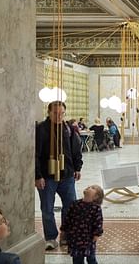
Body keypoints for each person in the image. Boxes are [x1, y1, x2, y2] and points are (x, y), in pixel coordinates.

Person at [35, 101, 83, 250]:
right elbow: (35, 154)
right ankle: (50, 237)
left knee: (70, 207)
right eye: (55, 113)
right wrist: (37, 176)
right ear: (49, 112)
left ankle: (66, 235)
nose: (59, 116)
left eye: (62, 113)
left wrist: (77, 168)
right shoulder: (41, 129)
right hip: (46, 176)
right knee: (47, 208)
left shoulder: (68, 129)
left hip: (67, 175)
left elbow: (76, 150)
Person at [61, 185, 104, 264]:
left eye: (93, 188)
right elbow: (68, 218)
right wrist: (63, 230)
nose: (89, 187)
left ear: (96, 197)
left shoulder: (96, 208)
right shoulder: (75, 204)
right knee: (77, 259)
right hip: (75, 238)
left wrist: (96, 234)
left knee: (91, 258)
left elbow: (98, 222)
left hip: (89, 238)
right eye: (90, 186)